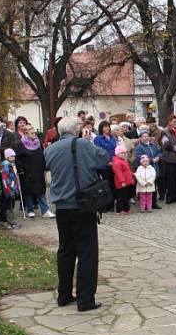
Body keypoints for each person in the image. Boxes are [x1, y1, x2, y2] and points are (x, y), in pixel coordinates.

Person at [44, 116, 107, 311]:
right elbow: (103, 158)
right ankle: (85, 299)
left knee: (65, 250)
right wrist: (88, 141)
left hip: (61, 206)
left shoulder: (50, 149)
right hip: (82, 204)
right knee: (87, 252)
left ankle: (64, 295)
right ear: (75, 130)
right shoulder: (83, 145)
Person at [16, 125, 54, 218]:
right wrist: (20, 169)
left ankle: (45, 210)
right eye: (32, 133)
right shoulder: (20, 144)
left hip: (38, 170)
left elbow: (42, 155)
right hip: (27, 171)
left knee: (41, 190)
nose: (34, 135)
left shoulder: (38, 142)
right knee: (28, 191)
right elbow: (18, 158)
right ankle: (30, 209)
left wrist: (45, 166)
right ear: (26, 133)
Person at [160, 114, 176, 204]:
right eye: (174, 121)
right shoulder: (165, 131)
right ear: (170, 122)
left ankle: (175, 196)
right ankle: (169, 197)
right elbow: (166, 144)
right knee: (170, 179)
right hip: (169, 158)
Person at [133, 131, 162, 209]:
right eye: (144, 136)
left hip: (154, 168)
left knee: (154, 186)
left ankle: (153, 202)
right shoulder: (139, 147)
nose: (146, 138)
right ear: (141, 138)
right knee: (144, 188)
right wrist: (152, 160)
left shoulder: (153, 145)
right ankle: (144, 204)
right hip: (145, 170)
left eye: (147, 136)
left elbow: (159, 152)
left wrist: (158, 157)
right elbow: (139, 157)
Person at [0, 149, 22, 229]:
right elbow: (5, 178)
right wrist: (7, 189)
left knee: (11, 205)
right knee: (8, 206)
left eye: (14, 156)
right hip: (8, 189)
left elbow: (14, 176)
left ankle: (9, 221)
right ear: (7, 157)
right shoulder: (5, 165)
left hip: (13, 188)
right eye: (12, 156)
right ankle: (10, 221)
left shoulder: (12, 164)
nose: (14, 158)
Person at [111, 145, 135, 214]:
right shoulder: (117, 162)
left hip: (127, 181)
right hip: (121, 182)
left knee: (126, 196)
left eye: (124, 153)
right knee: (121, 197)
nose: (124, 154)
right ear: (117, 153)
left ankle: (126, 209)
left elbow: (127, 170)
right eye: (122, 153)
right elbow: (118, 173)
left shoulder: (123, 160)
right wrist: (122, 181)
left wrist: (133, 174)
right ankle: (120, 210)